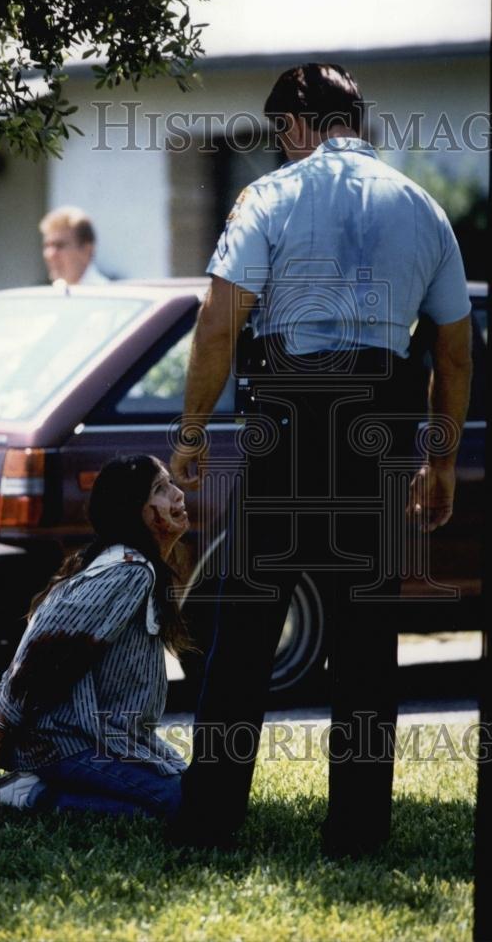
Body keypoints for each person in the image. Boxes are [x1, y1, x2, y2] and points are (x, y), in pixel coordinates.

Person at [170, 63, 472, 854]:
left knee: (242, 634)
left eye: (281, 131)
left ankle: (209, 819)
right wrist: (437, 461)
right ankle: (358, 829)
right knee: (366, 639)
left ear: (302, 121)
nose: (280, 146)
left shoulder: (267, 198)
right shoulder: (423, 208)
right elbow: (453, 352)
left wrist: (193, 435)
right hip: (376, 436)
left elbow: (216, 326)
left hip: (282, 428)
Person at [0, 454, 190, 819]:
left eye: (171, 485)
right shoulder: (129, 572)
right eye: (161, 490)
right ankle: (33, 797)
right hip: (66, 743)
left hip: (102, 740)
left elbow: (43, 636)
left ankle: (50, 787)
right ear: (135, 510)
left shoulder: (126, 563)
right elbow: (51, 650)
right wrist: (0, 722)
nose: (178, 496)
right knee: (183, 805)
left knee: (195, 792)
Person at [39, 206, 109, 286]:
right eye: (47, 246)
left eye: (60, 245)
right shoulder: (54, 293)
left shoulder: (103, 294)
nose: (50, 254)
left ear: (86, 251)